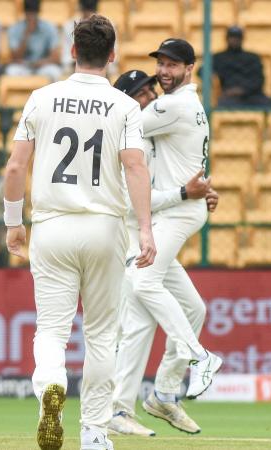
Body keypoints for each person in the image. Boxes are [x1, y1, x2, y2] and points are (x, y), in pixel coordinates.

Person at [3, 14, 156, 450]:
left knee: (51, 331)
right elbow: (134, 166)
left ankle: (51, 387)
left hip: (51, 225)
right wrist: (145, 228)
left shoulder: (41, 97)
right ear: (112, 56)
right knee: (103, 335)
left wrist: (14, 223)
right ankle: (93, 432)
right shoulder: (125, 106)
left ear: (72, 51)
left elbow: (16, 166)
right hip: (105, 227)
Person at [112, 38, 223, 434]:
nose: (151, 91)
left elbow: (174, 171)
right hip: (132, 233)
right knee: (150, 307)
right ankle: (133, 401)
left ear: (189, 68)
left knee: (183, 309)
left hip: (158, 225)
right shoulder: (141, 136)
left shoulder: (164, 117)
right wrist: (186, 193)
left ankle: (159, 395)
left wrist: (194, 192)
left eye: (169, 66)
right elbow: (130, 202)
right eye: (139, 94)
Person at [211, 26, 271, 109]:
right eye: (232, 37)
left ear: (242, 39)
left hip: (253, 95)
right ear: (227, 39)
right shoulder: (218, 58)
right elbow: (202, 71)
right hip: (230, 98)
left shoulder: (253, 58)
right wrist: (212, 76)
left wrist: (241, 90)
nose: (234, 40)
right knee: (223, 107)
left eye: (237, 37)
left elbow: (259, 80)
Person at [6, 0, 62, 81]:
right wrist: (27, 34)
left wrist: (40, 63)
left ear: (38, 12)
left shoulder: (49, 28)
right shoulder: (15, 28)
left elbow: (55, 57)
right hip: (23, 67)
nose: (31, 16)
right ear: (24, 13)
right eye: (29, 13)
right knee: (11, 71)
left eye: (34, 13)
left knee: (55, 72)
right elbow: (15, 57)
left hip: (42, 66)